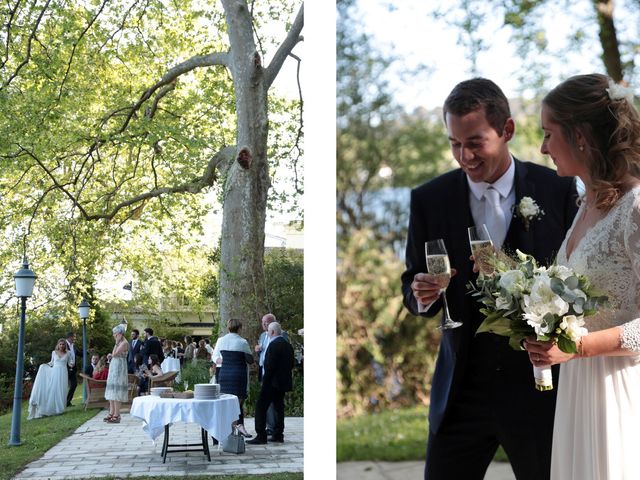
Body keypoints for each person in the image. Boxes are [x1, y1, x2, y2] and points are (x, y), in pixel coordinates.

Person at [401, 78, 579, 480]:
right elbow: (411, 285)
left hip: (538, 385)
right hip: (462, 388)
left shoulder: (557, 189)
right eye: (454, 143)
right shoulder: (429, 198)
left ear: (507, 131)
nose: (464, 155)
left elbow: (575, 281)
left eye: (475, 142)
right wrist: (422, 294)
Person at [523, 73, 640, 480]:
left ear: (580, 136)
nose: (542, 147)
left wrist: (578, 347)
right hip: (578, 390)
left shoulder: (635, 206)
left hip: (619, 390)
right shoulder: (584, 205)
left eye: (548, 134)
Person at [247, 322, 294, 444]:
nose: (267, 333)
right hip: (283, 383)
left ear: (272, 332)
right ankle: (279, 434)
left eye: (268, 331)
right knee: (279, 408)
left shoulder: (273, 346)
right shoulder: (288, 345)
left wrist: (265, 383)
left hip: (271, 383)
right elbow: (291, 364)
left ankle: (261, 435)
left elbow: (269, 366)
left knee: (260, 407)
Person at [213, 318, 254, 438]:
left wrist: (220, 360)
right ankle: (237, 426)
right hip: (238, 374)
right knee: (238, 403)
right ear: (240, 328)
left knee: (226, 402)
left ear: (228, 328)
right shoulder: (242, 342)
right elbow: (250, 360)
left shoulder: (221, 340)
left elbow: (215, 356)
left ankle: (227, 430)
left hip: (224, 373)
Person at [254, 313, 290, 436]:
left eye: (267, 323)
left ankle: (271, 431)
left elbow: (280, 356)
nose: (264, 325)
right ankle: (273, 429)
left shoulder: (281, 336)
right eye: (263, 322)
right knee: (271, 404)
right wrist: (258, 351)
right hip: (265, 372)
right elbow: (265, 356)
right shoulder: (263, 335)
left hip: (274, 376)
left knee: (270, 404)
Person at [28, 339, 74, 419]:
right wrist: (44, 365)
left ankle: (59, 409)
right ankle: (51, 408)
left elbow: (70, 364)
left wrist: (72, 364)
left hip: (63, 373)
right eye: (60, 344)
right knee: (53, 389)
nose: (62, 346)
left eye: (63, 344)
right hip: (55, 372)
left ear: (65, 345)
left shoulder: (68, 353)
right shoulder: (54, 352)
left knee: (61, 390)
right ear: (58, 345)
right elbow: (51, 363)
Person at [104, 321, 129, 423]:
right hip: (114, 366)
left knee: (117, 390)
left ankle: (117, 414)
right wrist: (111, 354)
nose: (114, 335)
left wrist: (115, 345)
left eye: (115, 333)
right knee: (112, 389)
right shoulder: (119, 342)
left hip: (119, 368)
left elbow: (115, 354)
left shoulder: (124, 343)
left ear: (120, 333)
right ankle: (111, 412)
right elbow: (113, 354)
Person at [65, 331, 81, 407]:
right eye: (74, 337)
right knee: (63, 386)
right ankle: (60, 402)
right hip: (65, 368)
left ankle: (67, 402)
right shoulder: (63, 344)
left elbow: (78, 353)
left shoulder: (73, 346)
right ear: (70, 337)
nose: (75, 338)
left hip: (73, 369)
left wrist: (87, 352)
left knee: (74, 384)